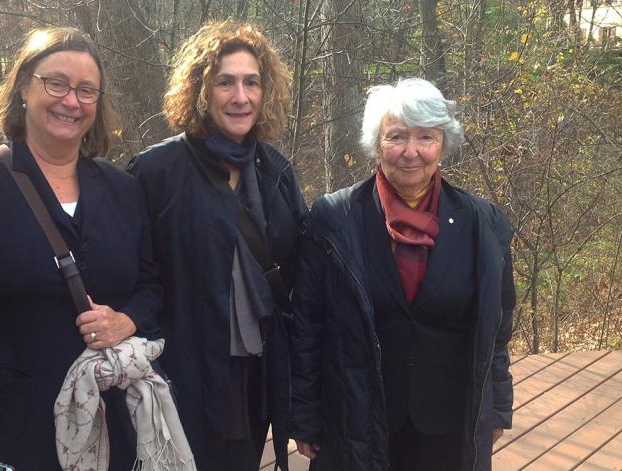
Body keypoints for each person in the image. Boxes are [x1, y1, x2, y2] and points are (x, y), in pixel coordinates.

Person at [0, 27, 162, 470]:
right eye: (56, 83)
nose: (71, 101)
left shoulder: (123, 188)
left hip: (113, 423)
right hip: (11, 430)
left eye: (87, 90)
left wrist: (126, 320)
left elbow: (151, 285)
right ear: (24, 87)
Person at [290, 78, 515, 470]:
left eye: (425, 137)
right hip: (355, 418)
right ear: (377, 144)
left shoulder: (483, 224)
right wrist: (304, 415)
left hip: (449, 421)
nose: (411, 152)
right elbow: (307, 326)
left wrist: (496, 406)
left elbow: (496, 328)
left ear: (443, 144)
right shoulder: (334, 219)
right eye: (396, 137)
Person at [127, 20, 307, 471]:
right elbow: (133, 272)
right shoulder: (156, 172)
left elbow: (300, 268)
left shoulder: (274, 171)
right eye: (225, 82)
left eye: (251, 82)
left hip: (259, 366)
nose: (240, 96)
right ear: (201, 90)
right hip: (183, 366)